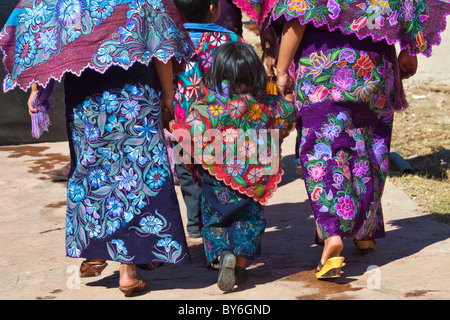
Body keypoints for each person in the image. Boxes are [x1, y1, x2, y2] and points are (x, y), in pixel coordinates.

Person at [1, 0, 195, 297]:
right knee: (136, 172)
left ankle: (96, 250)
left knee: (94, 169)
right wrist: (168, 96)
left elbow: (33, 25)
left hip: (86, 94)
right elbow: (161, 43)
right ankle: (128, 270)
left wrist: (37, 88)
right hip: (135, 92)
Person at [268, 0, 450, 279]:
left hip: (324, 63)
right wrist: (411, 50)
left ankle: (333, 234)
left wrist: (281, 72)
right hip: (375, 65)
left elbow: (298, 14)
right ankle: (365, 231)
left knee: (323, 148)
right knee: (370, 146)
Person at [173, 42, 296, 291]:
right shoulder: (267, 103)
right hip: (255, 177)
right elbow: (287, 118)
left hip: (218, 178)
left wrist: (193, 165)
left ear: (218, 71)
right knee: (249, 221)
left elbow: (189, 134)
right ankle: (240, 264)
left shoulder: (208, 105)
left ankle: (222, 255)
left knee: (215, 220)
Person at [172, 0, 247, 241]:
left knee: (187, 173)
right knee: (216, 173)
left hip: (182, 123)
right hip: (220, 122)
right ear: (214, 9)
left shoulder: (172, 39)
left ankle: (195, 223)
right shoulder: (232, 41)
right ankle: (218, 222)